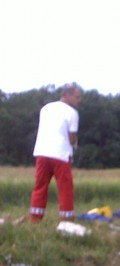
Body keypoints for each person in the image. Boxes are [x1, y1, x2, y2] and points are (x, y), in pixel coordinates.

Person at [29, 83, 82, 222]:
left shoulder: (46, 109)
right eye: (77, 97)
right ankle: (67, 220)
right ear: (68, 96)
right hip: (61, 155)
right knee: (65, 188)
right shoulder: (72, 113)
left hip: (42, 152)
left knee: (40, 187)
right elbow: (72, 138)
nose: (79, 100)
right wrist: (75, 145)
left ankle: (35, 218)